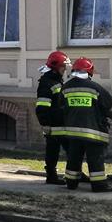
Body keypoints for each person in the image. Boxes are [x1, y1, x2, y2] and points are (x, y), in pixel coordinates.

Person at [53, 57, 112, 192]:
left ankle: (71, 182)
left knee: (74, 158)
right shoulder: (95, 87)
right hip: (92, 132)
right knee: (95, 158)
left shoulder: (66, 87)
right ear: (90, 71)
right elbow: (109, 102)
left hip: (72, 132)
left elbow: (61, 106)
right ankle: (99, 185)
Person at [35, 51, 70, 185]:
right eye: (63, 66)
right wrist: (45, 124)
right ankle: (52, 176)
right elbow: (42, 105)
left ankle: (74, 173)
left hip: (61, 123)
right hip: (53, 124)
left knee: (69, 149)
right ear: (55, 67)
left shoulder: (55, 80)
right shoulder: (46, 83)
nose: (65, 69)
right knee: (53, 151)